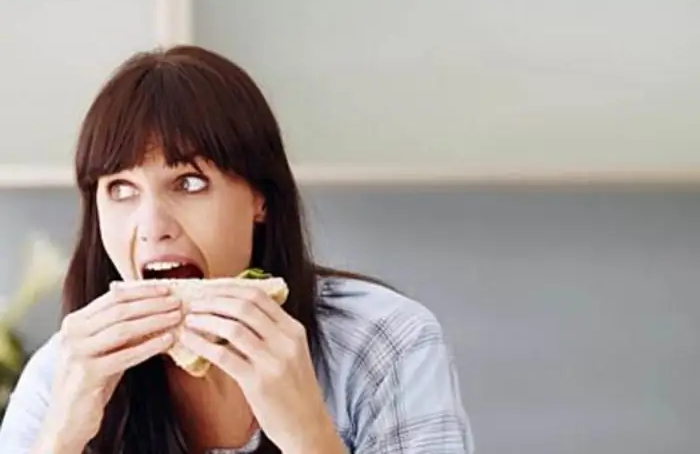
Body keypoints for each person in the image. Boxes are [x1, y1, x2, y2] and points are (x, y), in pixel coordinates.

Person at [0, 45, 474, 454]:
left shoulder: (383, 345)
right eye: (120, 189)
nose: (151, 228)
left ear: (259, 199)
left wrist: (307, 433)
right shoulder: (59, 376)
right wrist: (62, 438)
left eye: (188, 182)